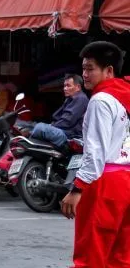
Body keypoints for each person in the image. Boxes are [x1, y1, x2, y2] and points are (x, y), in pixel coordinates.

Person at [61, 41, 130, 267]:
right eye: (83, 68)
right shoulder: (125, 95)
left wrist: (77, 188)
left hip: (105, 183)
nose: (85, 74)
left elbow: (95, 153)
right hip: (126, 181)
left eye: (90, 68)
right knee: (121, 256)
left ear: (109, 70)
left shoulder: (101, 100)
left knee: (91, 254)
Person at [30, 74, 88, 150]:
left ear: (78, 87)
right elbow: (57, 117)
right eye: (64, 86)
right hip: (63, 130)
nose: (65, 88)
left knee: (39, 127)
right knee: (30, 125)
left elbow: (67, 122)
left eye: (68, 86)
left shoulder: (81, 98)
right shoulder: (70, 99)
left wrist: (51, 126)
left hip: (70, 136)